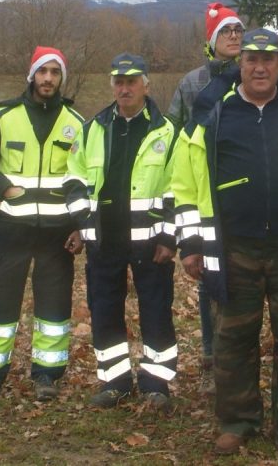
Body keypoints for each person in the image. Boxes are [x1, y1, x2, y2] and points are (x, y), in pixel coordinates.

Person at [170, 28, 278, 459]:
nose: (260, 67)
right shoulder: (214, 113)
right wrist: (191, 243)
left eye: (269, 59)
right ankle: (237, 422)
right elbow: (184, 183)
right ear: (241, 64)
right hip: (234, 250)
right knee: (233, 341)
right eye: (252, 59)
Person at [0, 46, 86, 401]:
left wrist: (80, 226)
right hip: (14, 230)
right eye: (42, 71)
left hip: (58, 233)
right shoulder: (5, 116)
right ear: (32, 75)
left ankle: (47, 375)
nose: (48, 78)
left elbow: (86, 179)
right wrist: (5, 189)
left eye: (55, 72)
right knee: (1, 302)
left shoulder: (76, 123)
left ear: (61, 78)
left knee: (54, 307)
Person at [64, 54, 179, 410]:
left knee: (156, 312)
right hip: (104, 241)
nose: (125, 88)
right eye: (119, 81)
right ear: (112, 85)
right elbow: (74, 180)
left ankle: (156, 385)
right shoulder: (93, 129)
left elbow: (179, 189)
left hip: (151, 243)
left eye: (131, 81)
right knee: (104, 310)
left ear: (146, 85)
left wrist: (169, 238)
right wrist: (83, 225)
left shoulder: (168, 131)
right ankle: (115, 382)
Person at [168, 1, 244, 395]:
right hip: (203, 195)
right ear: (211, 40)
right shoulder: (192, 83)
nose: (234, 36)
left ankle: (240, 360)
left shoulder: (254, 76)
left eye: (238, 30)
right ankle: (212, 358)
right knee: (208, 278)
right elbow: (173, 136)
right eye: (225, 31)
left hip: (244, 195)